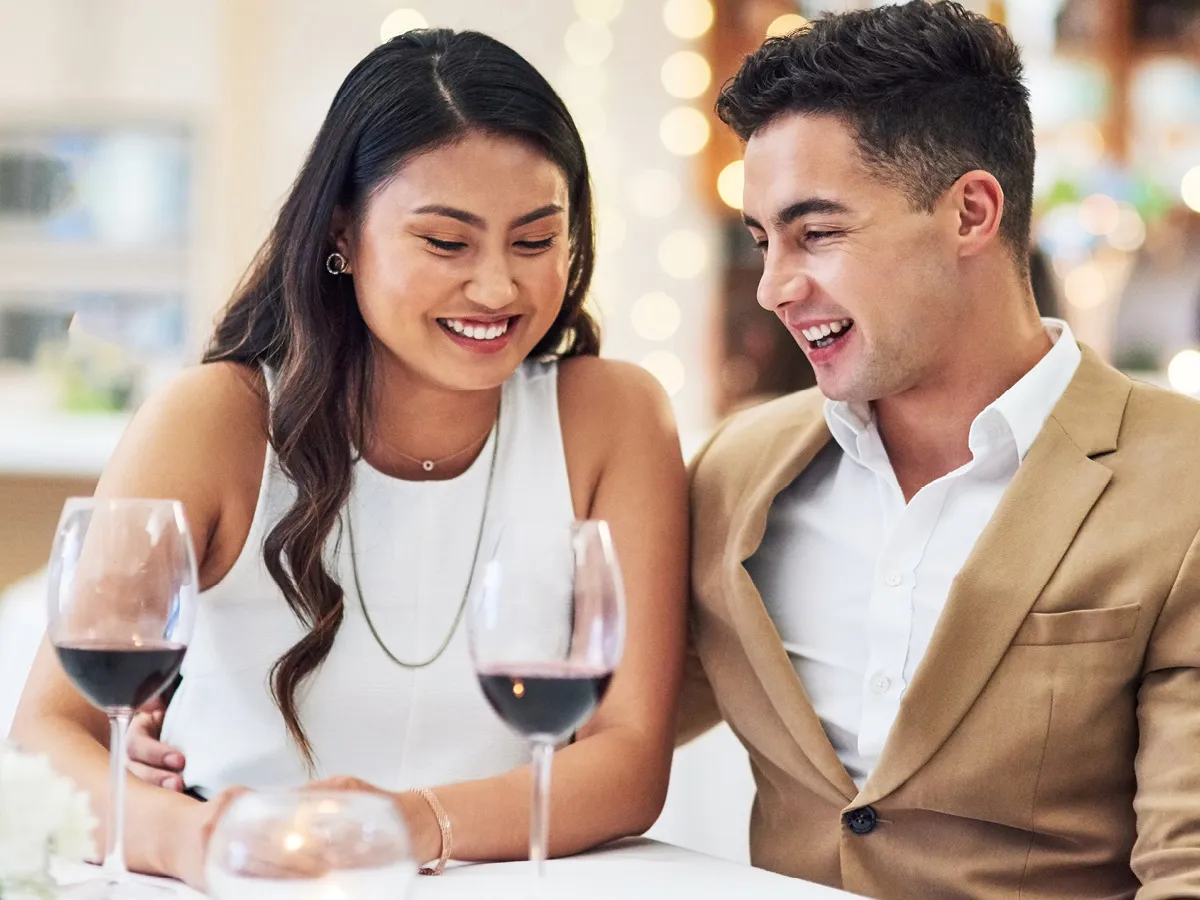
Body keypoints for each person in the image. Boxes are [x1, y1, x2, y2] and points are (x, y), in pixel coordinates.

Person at [11, 29, 687, 888]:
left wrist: (405, 825)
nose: (496, 288)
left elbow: (629, 764)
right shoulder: (215, 419)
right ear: (344, 234)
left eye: (533, 241)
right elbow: (46, 735)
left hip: (499, 879)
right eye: (446, 243)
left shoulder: (612, 416)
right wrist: (204, 842)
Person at [676, 3, 1200, 898]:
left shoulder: (1182, 483)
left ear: (970, 212)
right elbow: (586, 734)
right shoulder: (735, 473)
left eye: (819, 232)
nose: (772, 288)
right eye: (763, 240)